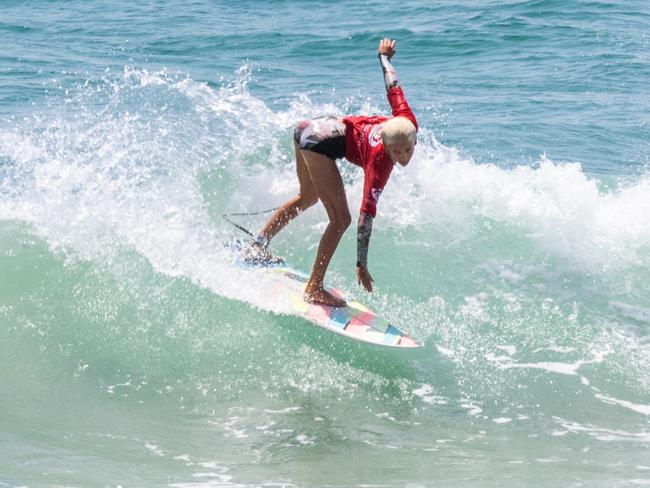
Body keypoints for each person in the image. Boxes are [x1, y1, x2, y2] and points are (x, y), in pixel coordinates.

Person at [250, 37, 418, 307]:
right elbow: (366, 216)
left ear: (414, 139)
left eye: (406, 150)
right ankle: (314, 288)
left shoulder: (406, 120)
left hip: (308, 128)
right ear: (386, 146)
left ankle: (257, 244)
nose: (401, 157)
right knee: (341, 220)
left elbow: (393, 86)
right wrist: (361, 263)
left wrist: (384, 58)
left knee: (307, 198)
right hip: (318, 144)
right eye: (395, 152)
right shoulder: (380, 160)